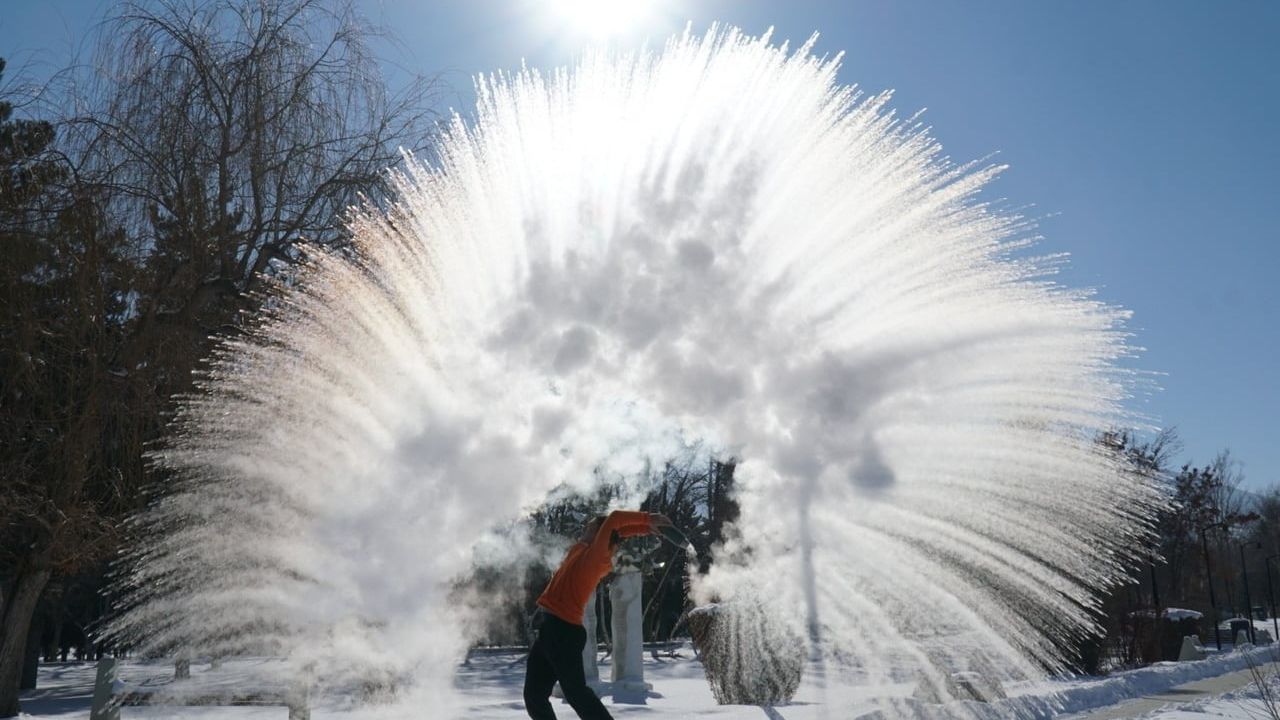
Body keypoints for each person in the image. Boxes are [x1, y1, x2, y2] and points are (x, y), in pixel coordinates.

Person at [523, 510, 672, 720]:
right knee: (534, 696)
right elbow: (618, 530)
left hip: (563, 632)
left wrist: (650, 518)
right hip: (550, 629)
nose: (586, 528)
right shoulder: (584, 549)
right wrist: (644, 528)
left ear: (601, 534)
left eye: (591, 527)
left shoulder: (596, 557)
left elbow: (615, 520)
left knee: (576, 694)